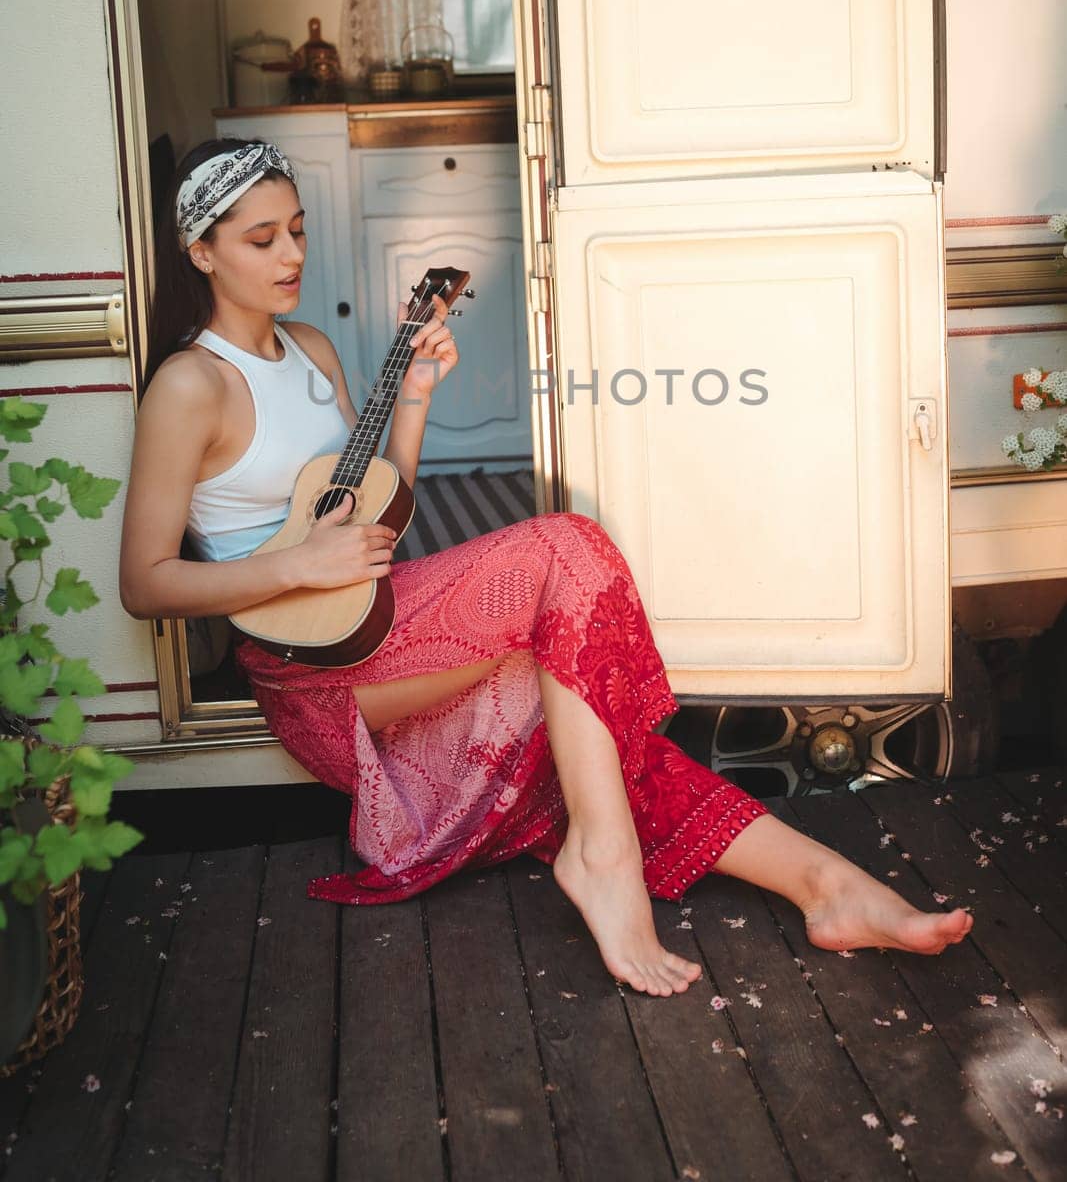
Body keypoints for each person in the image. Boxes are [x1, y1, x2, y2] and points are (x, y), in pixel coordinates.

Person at [119, 137, 975, 998]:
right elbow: (145, 582)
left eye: (298, 230)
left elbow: (372, 500)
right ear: (201, 251)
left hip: (371, 627)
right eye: (262, 240)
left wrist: (414, 391)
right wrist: (300, 565)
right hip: (309, 679)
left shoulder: (310, 348)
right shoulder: (192, 385)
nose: (293, 254)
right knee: (566, 544)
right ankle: (605, 859)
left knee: (585, 719)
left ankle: (825, 886)